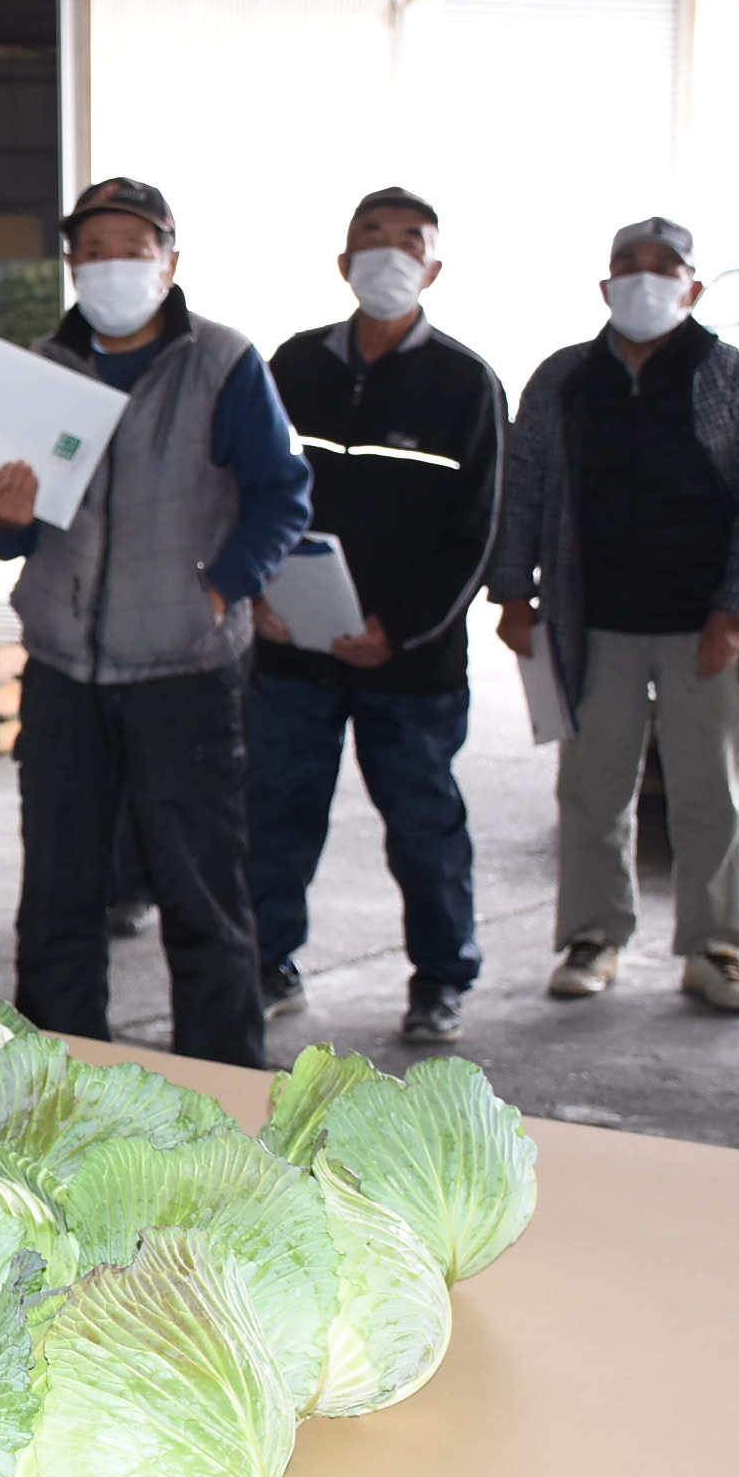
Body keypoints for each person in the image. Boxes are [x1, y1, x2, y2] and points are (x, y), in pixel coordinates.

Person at [0, 177, 311, 1067]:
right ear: (70, 264)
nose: (113, 265)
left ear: (170, 262)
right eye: (94, 250)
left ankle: (224, 1087)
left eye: (134, 247)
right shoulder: (41, 368)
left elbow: (284, 496)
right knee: (58, 892)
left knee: (201, 895)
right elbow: (10, 536)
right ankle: (54, 1081)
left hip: (185, 669)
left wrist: (222, 589)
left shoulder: (224, 363)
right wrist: (6, 514)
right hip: (61, 668)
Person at [488, 217, 739, 1014]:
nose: (645, 279)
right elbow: (526, 484)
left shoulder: (726, 373)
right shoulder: (565, 378)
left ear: (694, 287)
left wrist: (736, 609)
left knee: (712, 789)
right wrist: (513, 593)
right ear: (605, 285)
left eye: (664, 266)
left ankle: (717, 948)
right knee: (592, 787)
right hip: (590, 621)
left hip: (702, 624)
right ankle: (593, 935)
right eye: (628, 266)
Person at [250, 189, 504, 1044]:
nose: (389, 256)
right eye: (372, 239)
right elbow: (248, 489)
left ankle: (441, 977)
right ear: (342, 260)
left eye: (409, 243)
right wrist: (258, 596)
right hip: (293, 651)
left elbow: (475, 532)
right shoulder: (293, 365)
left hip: (409, 664)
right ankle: (268, 959)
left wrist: (398, 628)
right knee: (278, 812)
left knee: (425, 826)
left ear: (433, 268)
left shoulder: (465, 382)